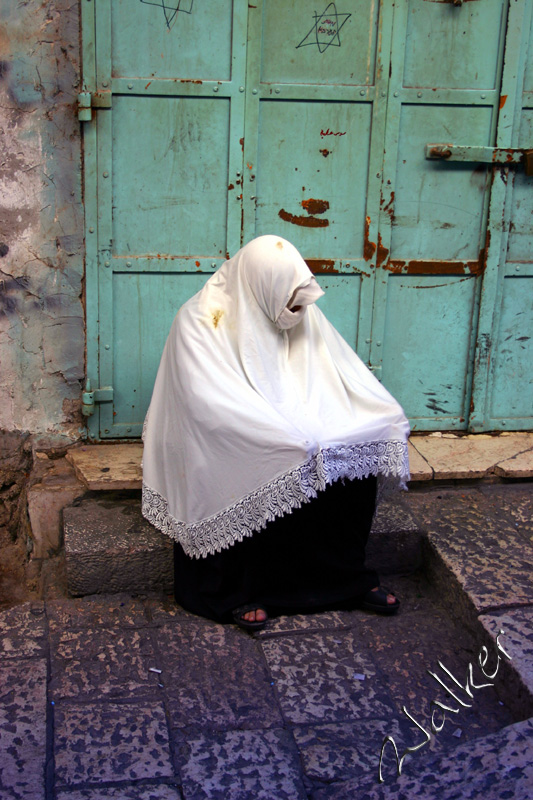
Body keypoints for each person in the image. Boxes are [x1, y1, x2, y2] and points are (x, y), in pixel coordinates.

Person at [142, 235, 410, 631]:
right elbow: (205, 406)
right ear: (260, 286)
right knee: (280, 452)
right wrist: (281, 431)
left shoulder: (304, 314)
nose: (295, 313)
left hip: (294, 420)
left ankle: (344, 579)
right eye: (288, 304)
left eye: (299, 304)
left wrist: (372, 417)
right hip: (228, 431)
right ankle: (244, 590)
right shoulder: (198, 321)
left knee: (364, 433)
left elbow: (338, 372)